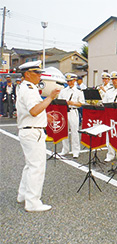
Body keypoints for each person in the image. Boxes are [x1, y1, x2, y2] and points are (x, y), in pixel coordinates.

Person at [16, 60, 61, 212]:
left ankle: (23, 195)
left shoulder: (26, 87)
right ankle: (33, 202)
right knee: (37, 167)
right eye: (37, 73)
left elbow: (33, 110)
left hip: (29, 129)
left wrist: (45, 116)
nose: (40, 76)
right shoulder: (29, 89)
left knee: (30, 165)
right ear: (27, 74)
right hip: (32, 131)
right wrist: (50, 98)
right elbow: (34, 110)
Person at [58, 73, 85, 158]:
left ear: (74, 80)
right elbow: (59, 101)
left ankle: (75, 150)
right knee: (64, 131)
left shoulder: (78, 91)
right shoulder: (63, 91)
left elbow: (81, 103)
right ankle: (65, 149)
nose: (69, 83)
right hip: (64, 111)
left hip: (73, 111)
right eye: (68, 81)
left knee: (74, 131)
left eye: (71, 81)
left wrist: (72, 103)